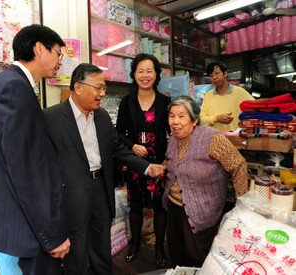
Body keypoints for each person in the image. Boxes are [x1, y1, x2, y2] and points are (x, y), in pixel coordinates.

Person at [43, 63, 164, 275]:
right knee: (77, 247)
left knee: (101, 245)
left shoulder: (102, 117)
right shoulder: (51, 118)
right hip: (71, 193)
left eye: (104, 88)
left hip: (101, 188)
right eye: (98, 88)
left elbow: (118, 148)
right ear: (79, 87)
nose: (102, 93)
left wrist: (147, 168)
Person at [0, 24, 70, 274]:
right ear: (39, 48)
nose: (59, 61)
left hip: (9, 224)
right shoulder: (15, 88)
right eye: (58, 53)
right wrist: (52, 236)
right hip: (21, 230)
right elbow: (26, 169)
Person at [163, 95, 248, 268]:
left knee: (198, 258)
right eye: (172, 116)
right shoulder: (173, 139)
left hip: (202, 210)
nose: (175, 121)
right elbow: (174, 163)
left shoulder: (211, 138)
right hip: (173, 207)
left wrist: (242, 206)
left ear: (194, 120)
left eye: (181, 116)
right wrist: (162, 167)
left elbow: (238, 165)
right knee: (176, 254)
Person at [116, 53, 170, 269]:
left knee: (160, 207)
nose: (145, 75)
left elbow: (172, 132)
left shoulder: (165, 102)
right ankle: (135, 244)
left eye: (149, 71)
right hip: (136, 163)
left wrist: (168, 161)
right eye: (140, 71)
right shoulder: (126, 102)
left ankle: (158, 248)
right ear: (134, 74)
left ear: (156, 74)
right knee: (136, 206)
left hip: (159, 164)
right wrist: (132, 146)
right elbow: (118, 133)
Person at [200, 61, 254, 132]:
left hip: (236, 139)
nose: (214, 77)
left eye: (217, 73)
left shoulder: (240, 92)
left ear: (225, 73)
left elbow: (255, 110)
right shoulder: (208, 95)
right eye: (211, 75)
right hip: (215, 139)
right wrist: (216, 118)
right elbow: (201, 120)